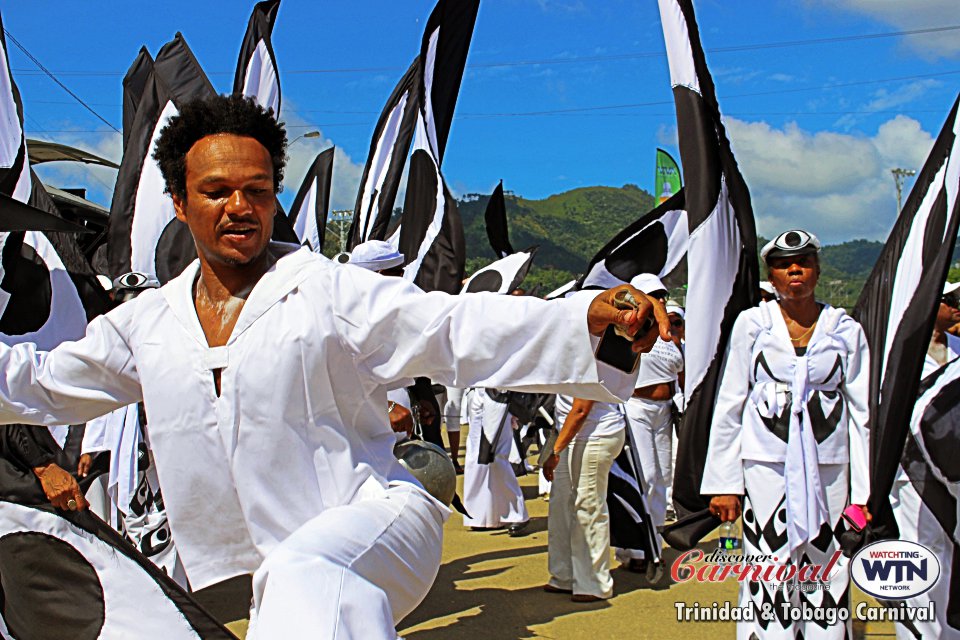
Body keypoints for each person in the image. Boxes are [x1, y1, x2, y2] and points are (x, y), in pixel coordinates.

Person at [0, 94, 669, 639]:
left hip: (378, 517)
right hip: (272, 564)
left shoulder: (328, 288)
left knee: (303, 575)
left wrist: (583, 316)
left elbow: (450, 325)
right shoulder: (147, 323)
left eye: (257, 191)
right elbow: (44, 384)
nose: (240, 207)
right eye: (217, 190)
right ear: (180, 203)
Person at [702, 229, 870, 639]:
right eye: (782, 264)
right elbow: (730, 402)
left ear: (816, 269)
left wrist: (863, 495)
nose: (794, 269)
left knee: (826, 566)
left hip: (829, 470)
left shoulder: (844, 329)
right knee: (768, 566)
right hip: (765, 468)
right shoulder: (752, 325)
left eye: (803, 261)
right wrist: (725, 484)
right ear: (771, 276)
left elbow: (863, 416)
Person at [616, 275, 684, 573]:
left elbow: (681, 375)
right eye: (652, 294)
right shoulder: (625, 331)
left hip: (665, 410)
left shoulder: (671, 333)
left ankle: (653, 538)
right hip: (637, 408)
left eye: (661, 294)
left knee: (662, 475)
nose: (659, 299)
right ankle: (634, 547)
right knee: (644, 474)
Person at [543, 391, 627, 601]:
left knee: (588, 506)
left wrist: (555, 451)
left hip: (595, 433)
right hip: (568, 432)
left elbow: (581, 409)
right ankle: (564, 575)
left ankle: (594, 582)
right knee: (560, 504)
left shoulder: (590, 358)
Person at [462, 387, 529, 535]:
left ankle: (518, 513)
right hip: (478, 390)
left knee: (496, 456)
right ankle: (481, 516)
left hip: (500, 393)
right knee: (475, 457)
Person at [923, 281, 960, 377]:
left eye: (956, 299)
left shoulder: (958, 344)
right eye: (949, 300)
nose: (956, 305)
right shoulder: (907, 351)